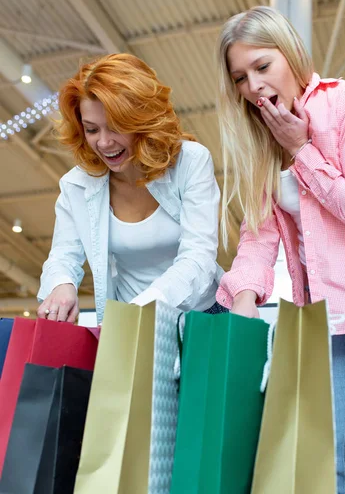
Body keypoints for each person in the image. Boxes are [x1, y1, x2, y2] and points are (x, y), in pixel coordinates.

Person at [215, 6, 345, 494]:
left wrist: (302, 150)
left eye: (262, 66)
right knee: (332, 462)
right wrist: (245, 299)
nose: (253, 86)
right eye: (239, 77)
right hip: (327, 312)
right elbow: (258, 238)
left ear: (291, 55)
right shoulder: (259, 142)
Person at [37, 53, 224, 325]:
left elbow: (200, 257)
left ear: (142, 120)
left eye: (115, 127)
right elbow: (63, 255)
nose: (103, 142)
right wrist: (61, 284)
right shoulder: (76, 185)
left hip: (201, 315)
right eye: (91, 129)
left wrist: (143, 307)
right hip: (130, 321)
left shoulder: (190, 161)